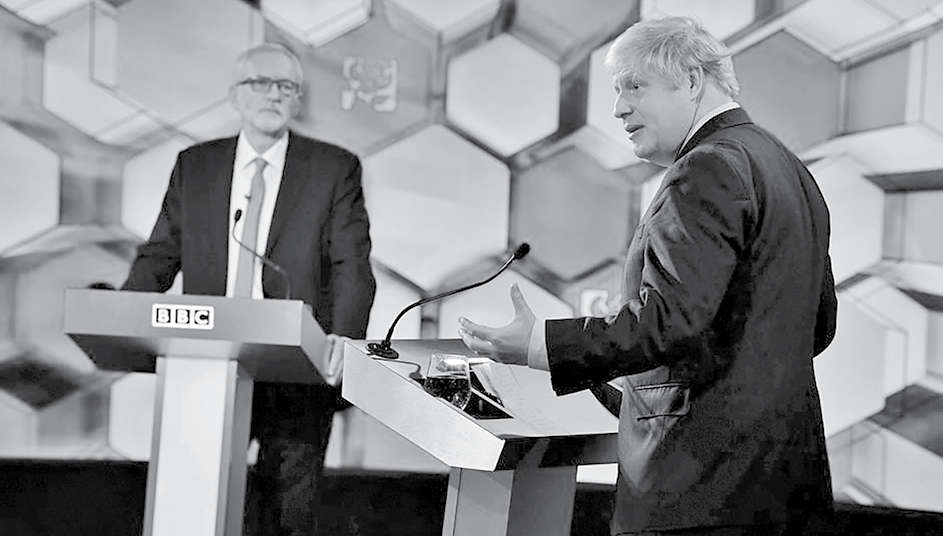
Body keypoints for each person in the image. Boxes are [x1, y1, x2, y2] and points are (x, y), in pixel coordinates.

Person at [458, 17, 837, 536]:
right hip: (787, 489)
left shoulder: (706, 168)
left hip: (698, 493)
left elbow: (667, 323)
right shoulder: (787, 167)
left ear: (692, 80)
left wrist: (539, 344)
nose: (618, 108)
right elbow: (818, 327)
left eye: (634, 86)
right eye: (617, 91)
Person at [121, 43, 376, 536]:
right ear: (235, 95)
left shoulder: (333, 168)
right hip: (206, 363)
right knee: (196, 502)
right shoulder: (196, 166)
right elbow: (161, 254)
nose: (273, 95)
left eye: (286, 86)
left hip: (296, 368)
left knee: (287, 515)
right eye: (261, 83)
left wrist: (345, 338)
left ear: (298, 100)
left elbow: (352, 265)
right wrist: (123, 313)